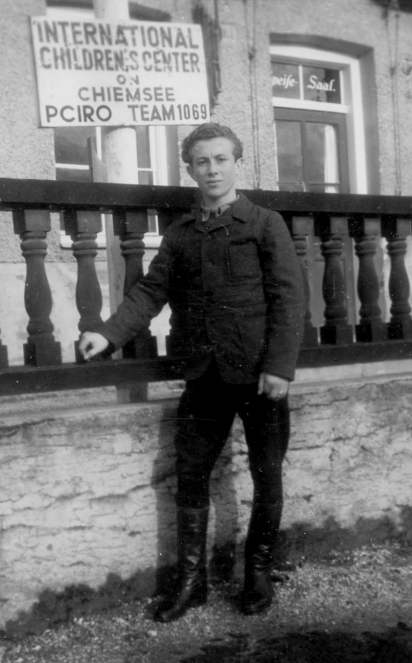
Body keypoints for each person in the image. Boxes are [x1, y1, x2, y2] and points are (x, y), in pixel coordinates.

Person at [79, 123, 305, 622]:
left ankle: (259, 574)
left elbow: (288, 300)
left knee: (267, 476)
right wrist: (109, 333)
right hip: (204, 377)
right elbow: (149, 291)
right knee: (191, 475)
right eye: (202, 162)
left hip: (261, 378)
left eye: (221, 159)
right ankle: (191, 582)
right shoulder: (182, 234)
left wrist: (280, 367)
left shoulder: (264, 223)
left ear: (236, 162)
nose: (212, 170)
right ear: (190, 169)